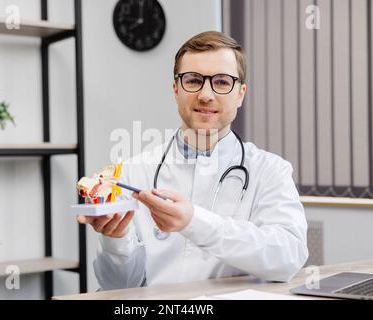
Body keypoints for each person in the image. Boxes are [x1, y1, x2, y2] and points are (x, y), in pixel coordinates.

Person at [78, 31, 309, 290]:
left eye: (222, 82)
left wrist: (194, 222)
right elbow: (117, 286)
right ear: (176, 89)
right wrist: (116, 240)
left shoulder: (270, 170)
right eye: (193, 80)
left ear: (240, 94)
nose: (206, 94)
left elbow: (289, 258)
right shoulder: (134, 172)